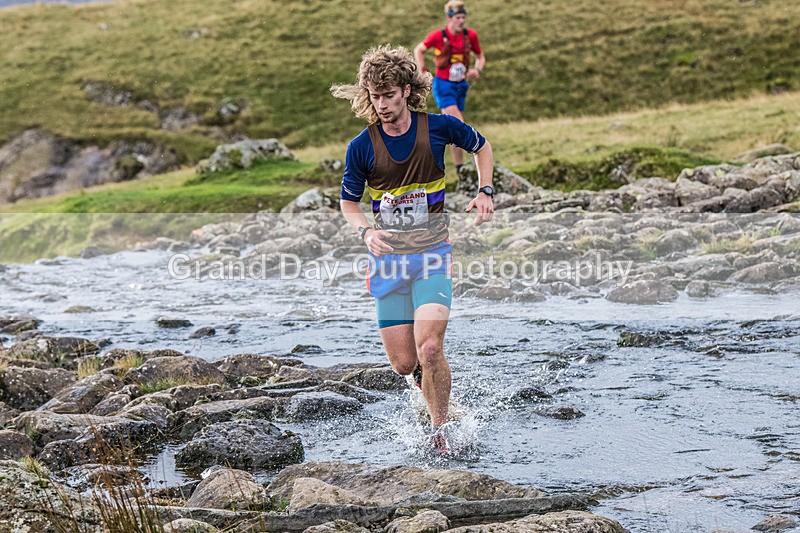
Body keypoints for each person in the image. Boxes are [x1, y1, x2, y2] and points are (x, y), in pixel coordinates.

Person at [331, 45, 494, 452]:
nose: (381, 104)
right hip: (388, 262)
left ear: (406, 90)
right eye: (374, 96)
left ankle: (441, 431)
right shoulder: (361, 147)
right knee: (405, 363)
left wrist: (484, 190)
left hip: (432, 255)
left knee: (431, 346)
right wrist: (366, 232)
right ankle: (426, 375)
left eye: (388, 94)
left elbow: (481, 146)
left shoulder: (437, 127)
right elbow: (348, 201)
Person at [414, 0, 485, 174]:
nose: (462, 21)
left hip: (461, 86)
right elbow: (419, 50)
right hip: (443, 85)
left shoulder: (470, 36)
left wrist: (477, 69)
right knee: (458, 123)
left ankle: (458, 168)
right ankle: (469, 163)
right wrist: (422, 70)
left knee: (452, 129)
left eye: (463, 17)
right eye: (458, 18)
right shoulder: (438, 36)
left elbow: (480, 56)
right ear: (449, 18)